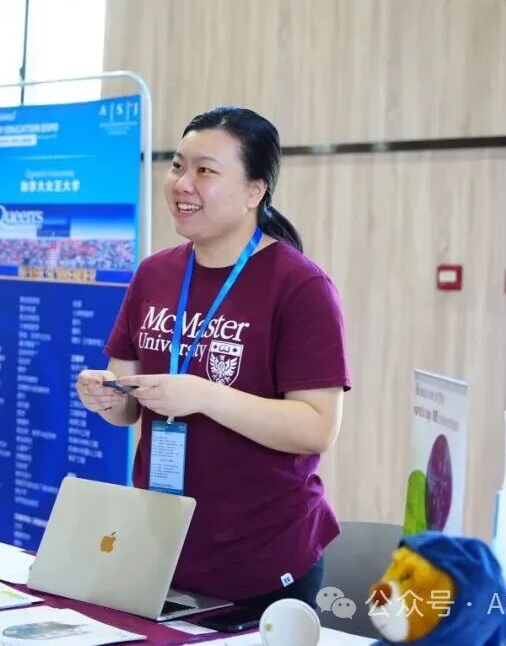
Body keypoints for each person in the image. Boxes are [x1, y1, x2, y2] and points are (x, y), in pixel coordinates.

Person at [75, 106, 350, 614]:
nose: (183, 183)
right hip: (162, 545)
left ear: (254, 190)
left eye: (206, 171)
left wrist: (203, 396)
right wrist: (105, 394)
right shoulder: (154, 275)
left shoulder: (301, 286)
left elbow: (317, 428)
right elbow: (127, 409)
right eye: (179, 166)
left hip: (264, 557)